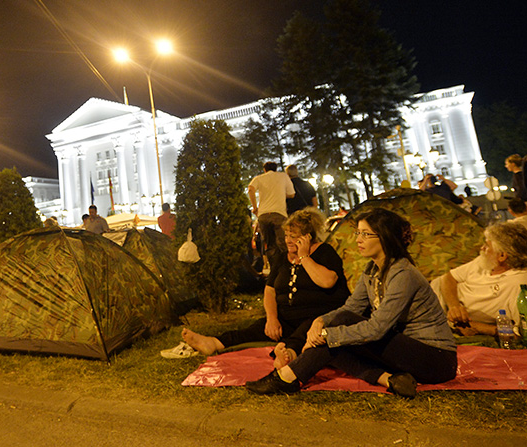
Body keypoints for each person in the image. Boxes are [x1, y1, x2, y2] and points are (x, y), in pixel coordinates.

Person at [246, 208, 457, 398]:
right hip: (404, 350)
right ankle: (388, 379)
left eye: (365, 234)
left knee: (339, 332)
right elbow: (351, 307)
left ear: (384, 238)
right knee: (338, 340)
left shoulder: (403, 274)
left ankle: (287, 377)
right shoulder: (371, 270)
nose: (358, 239)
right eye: (358, 233)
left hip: (435, 358)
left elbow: (377, 328)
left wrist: (326, 335)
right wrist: (320, 322)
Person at [181, 209, 350, 365]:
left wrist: (304, 256)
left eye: (293, 236)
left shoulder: (324, 252)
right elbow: (270, 290)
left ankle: (288, 355)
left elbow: (327, 281)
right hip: (287, 318)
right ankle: (213, 343)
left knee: (305, 332)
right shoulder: (283, 258)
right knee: (255, 329)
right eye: (286, 235)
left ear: (307, 237)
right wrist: (272, 319)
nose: (288, 240)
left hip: (316, 317)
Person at [430, 221, 527, 336]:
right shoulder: (487, 263)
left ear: (502, 256)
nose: (482, 248)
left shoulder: (520, 284)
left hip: (436, 318)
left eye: (487, 246)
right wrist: (454, 306)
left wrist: (478, 327)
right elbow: (448, 276)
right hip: (435, 301)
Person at [248, 162, 296, 262]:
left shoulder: (259, 178)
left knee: (269, 245)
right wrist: (280, 194)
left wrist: (255, 207)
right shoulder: (283, 176)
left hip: (263, 215)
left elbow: (250, 189)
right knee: (282, 243)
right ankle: (285, 265)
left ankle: (273, 266)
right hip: (279, 214)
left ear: (264, 170)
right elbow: (292, 194)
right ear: (276, 169)